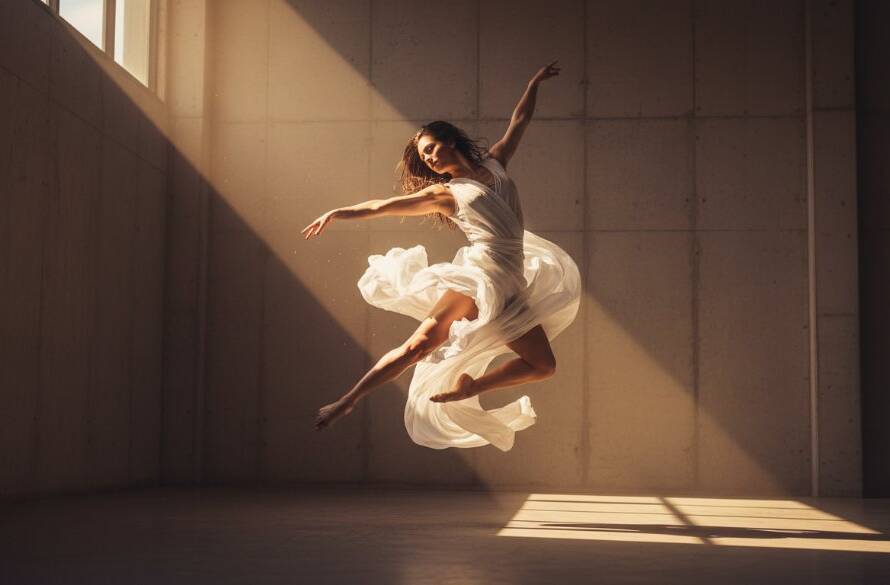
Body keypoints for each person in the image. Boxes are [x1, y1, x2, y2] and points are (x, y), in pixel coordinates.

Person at [302, 60, 581, 451]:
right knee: (419, 346)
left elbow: (520, 120)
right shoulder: (443, 194)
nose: (430, 159)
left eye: (432, 149)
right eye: (425, 156)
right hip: (479, 276)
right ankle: (345, 402)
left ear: (451, 141)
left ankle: (470, 387)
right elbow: (383, 206)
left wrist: (534, 83)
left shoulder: (495, 165)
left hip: (510, 281)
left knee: (543, 366)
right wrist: (338, 213)